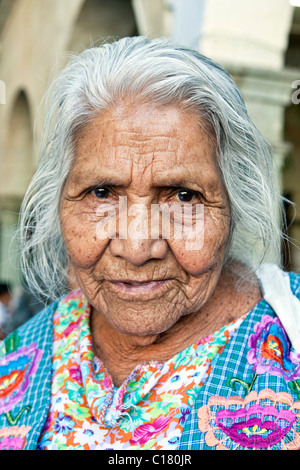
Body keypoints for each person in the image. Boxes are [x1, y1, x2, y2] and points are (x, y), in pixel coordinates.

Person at [0, 36, 299, 451]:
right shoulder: (14, 361)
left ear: (235, 205)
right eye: (102, 192)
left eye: (182, 195)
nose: (138, 247)